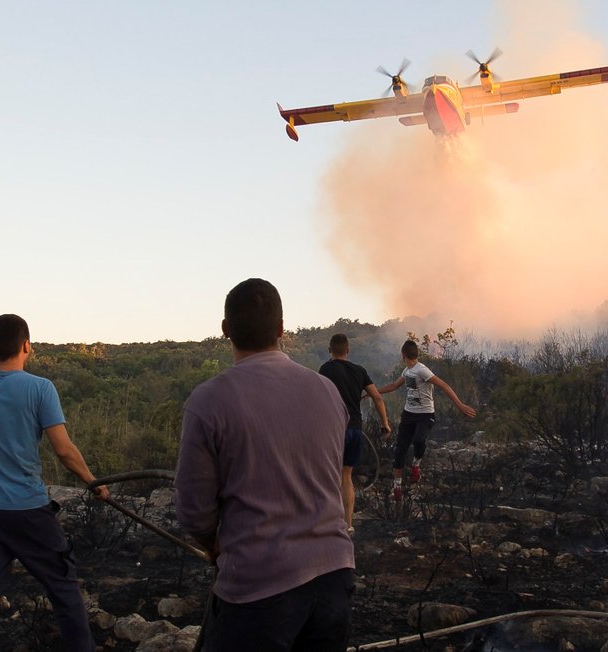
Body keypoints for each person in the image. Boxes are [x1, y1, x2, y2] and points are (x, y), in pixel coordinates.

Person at [175, 278, 355, 652]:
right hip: (334, 575)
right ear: (282, 329)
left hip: (258, 590)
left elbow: (194, 513)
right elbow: (327, 476)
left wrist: (214, 547)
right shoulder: (326, 391)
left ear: (225, 330)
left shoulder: (208, 401)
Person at [0, 314, 109, 652]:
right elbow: (64, 450)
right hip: (29, 512)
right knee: (65, 593)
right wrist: (93, 482)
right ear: (27, 345)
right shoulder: (41, 388)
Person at [378, 339, 477, 500]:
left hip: (425, 414)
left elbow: (444, 385)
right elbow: (394, 385)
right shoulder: (407, 371)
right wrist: (374, 392)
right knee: (400, 450)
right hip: (408, 414)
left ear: (403, 355)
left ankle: (416, 465)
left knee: (419, 441)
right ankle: (396, 488)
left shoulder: (422, 370)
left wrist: (460, 405)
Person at [318, 333, 392, 534]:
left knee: (328, 475)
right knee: (346, 476)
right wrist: (385, 423)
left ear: (329, 350)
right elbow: (377, 397)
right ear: (348, 350)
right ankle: (348, 525)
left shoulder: (326, 369)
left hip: (336, 430)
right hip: (355, 430)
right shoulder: (360, 371)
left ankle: (328, 524)